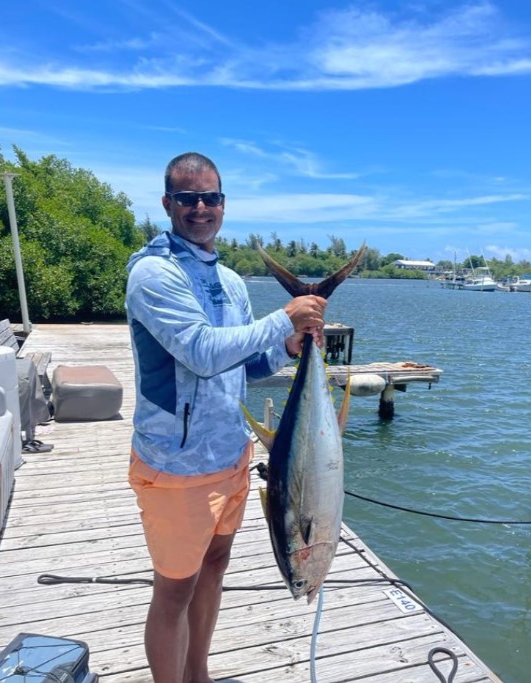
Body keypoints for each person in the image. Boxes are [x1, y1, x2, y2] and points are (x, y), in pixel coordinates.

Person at [125, 151, 327, 683]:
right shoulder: (154, 274)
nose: (199, 208)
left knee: (213, 570)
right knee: (174, 589)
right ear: (167, 203)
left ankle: (199, 674)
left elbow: (247, 365)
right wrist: (282, 316)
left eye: (209, 197)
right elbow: (200, 351)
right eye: (187, 198)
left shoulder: (232, 283)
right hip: (175, 464)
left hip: (230, 457)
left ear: (223, 203)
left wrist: (290, 343)